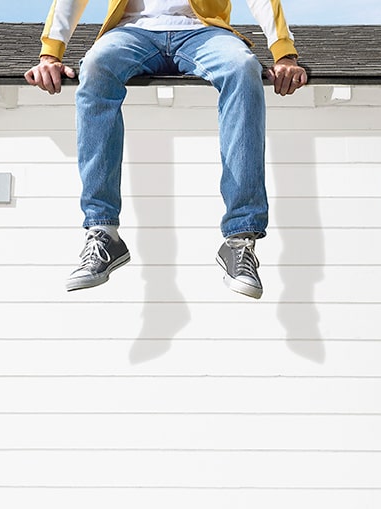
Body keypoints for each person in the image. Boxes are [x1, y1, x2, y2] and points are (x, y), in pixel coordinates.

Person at [24, 1, 307, 299]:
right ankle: (103, 232)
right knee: (95, 67)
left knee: (242, 67)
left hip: (204, 32)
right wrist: (50, 53)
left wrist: (284, 53)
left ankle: (240, 238)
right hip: (131, 32)